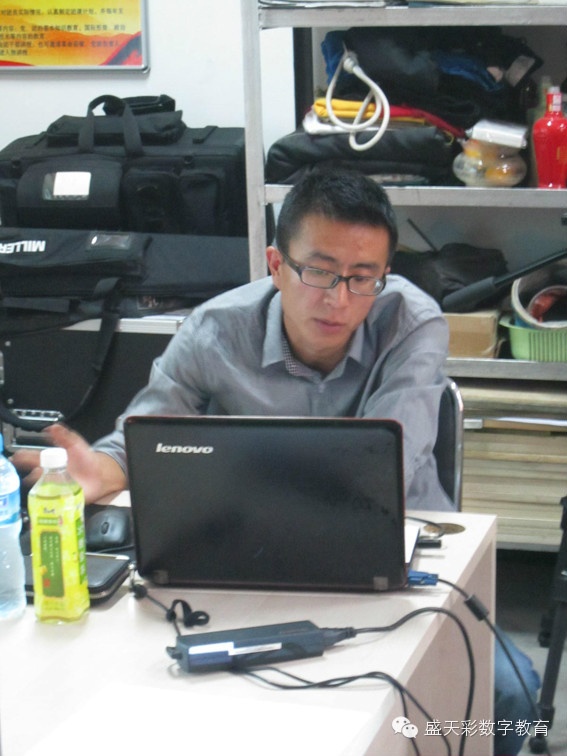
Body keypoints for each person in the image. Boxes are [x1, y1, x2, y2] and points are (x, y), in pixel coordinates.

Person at [14, 167, 538, 755]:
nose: (338, 298)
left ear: (384, 276)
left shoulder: (411, 323)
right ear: (275, 264)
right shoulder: (214, 332)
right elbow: (143, 437)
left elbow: (385, 467)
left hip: (396, 549)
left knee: (513, 701)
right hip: (248, 555)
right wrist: (107, 469)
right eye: (318, 271)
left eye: (362, 277)